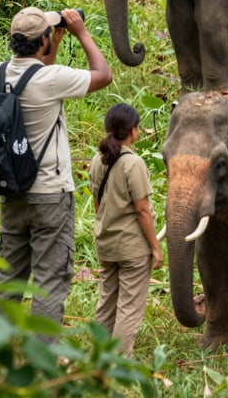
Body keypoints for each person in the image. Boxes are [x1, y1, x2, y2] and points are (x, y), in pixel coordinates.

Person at [0, 6, 113, 333]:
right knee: (50, 278)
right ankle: (42, 351)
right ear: (42, 41)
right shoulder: (52, 79)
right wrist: (81, 32)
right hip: (50, 195)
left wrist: (53, 42)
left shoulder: (0, 73)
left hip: (13, 189)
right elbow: (103, 75)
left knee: (8, 278)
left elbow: (35, 74)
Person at [88, 103, 163, 356]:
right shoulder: (133, 163)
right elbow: (142, 210)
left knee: (106, 302)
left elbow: (98, 204)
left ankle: (98, 357)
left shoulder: (97, 160)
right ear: (133, 130)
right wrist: (155, 247)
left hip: (106, 244)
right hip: (132, 248)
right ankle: (119, 362)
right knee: (129, 307)